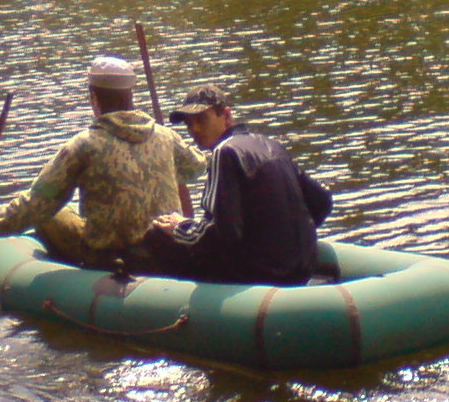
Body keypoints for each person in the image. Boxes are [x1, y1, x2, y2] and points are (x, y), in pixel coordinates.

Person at [0, 56, 206, 269]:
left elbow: (38, 201)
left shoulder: (84, 144)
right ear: (131, 94)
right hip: (165, 248)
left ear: (94, 98)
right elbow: (196, 167)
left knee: (51, 214)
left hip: (110, 255)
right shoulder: (166, 136)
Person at [139, 83, 330, 286]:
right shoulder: (270, 144)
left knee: (156, 235)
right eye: (188, 124)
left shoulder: (225, 151)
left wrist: (181, 226)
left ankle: (180, 303)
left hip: (260, 274)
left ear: (227, 116)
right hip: (301, 267)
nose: (194, 129)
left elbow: (225, 234)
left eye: (201, 119)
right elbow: (322, 201)